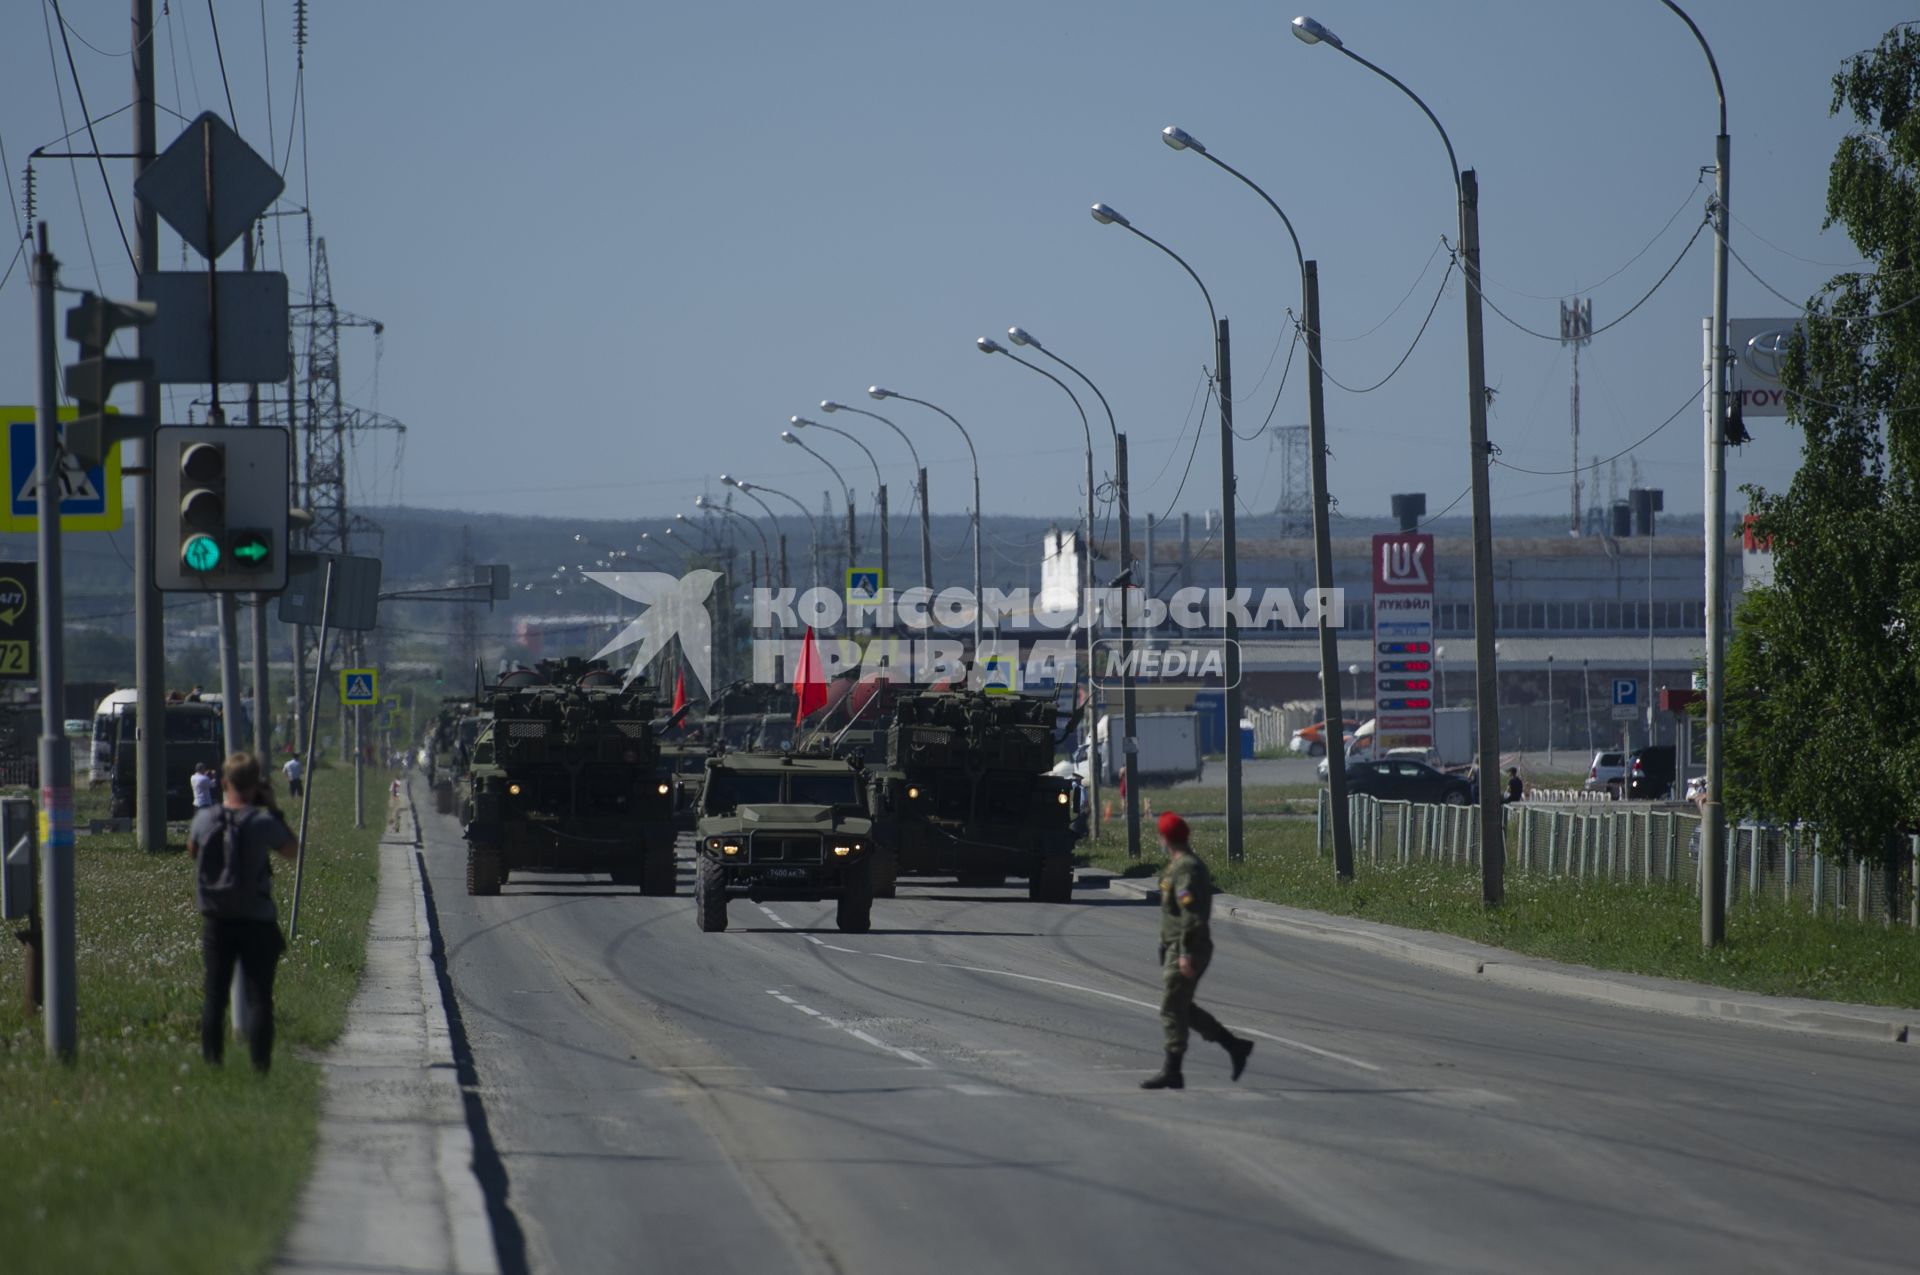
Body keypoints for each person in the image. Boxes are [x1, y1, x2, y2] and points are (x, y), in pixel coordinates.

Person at [189, 753, 297, 1073]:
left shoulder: (206, 819)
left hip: (217, 919)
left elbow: (192, 851)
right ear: (257, 785)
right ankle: (260, 1068)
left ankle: (212, 1065)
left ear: (223, 783)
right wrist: (274, 808)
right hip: (257, 919)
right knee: (260, 996)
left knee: (214, 994)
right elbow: (291, 850)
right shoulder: (261, 822)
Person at [1141, 811, 1254, 1090]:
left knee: (1171, 1007)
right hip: (1178, 946)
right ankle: (1235, 1046)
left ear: (1166, 838)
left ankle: (1173, 1070)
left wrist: (1185, 953)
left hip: (1188, 947)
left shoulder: (1186, 869)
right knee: (1182, 1008)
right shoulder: (1178, 865)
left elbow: (1191, 915)